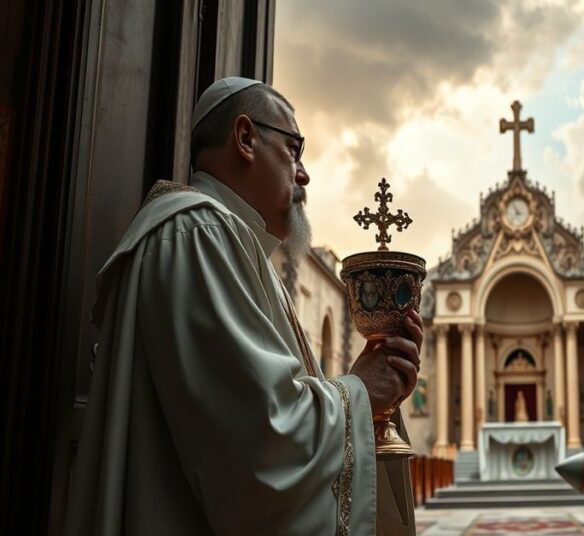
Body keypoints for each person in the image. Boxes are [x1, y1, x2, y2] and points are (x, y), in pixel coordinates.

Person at [62, 77, 420, 535]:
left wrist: (364, 388)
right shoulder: (199, 236)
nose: (304, 174)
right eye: (295, 149)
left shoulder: (229, 242)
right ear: (246, 138)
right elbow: (258, 442)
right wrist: (359, 392)